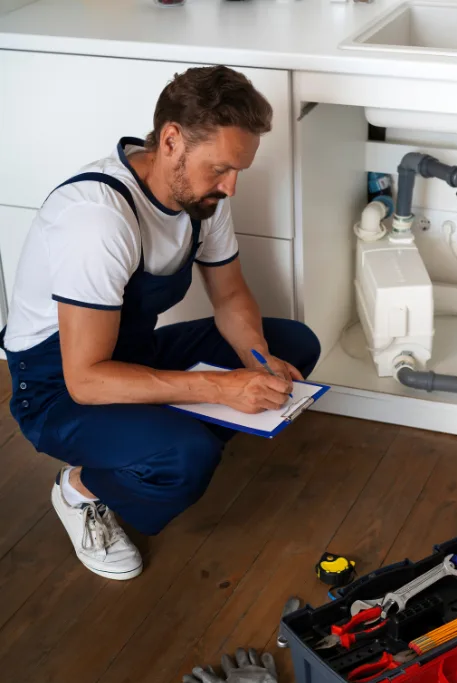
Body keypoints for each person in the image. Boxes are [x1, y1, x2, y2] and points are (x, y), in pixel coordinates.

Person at [0, 66, 321, 581]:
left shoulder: (202, 196)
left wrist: (258, 363)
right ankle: (82, 490)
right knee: (184, 456)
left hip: (130, 355)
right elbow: (85, 379)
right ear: (172, 139)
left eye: (238, 171)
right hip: (57, 387)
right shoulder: (98, 218)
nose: (231, 187)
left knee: (293, 343)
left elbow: (232, 294)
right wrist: (220, 388)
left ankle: (163, 439)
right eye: (221, 169)